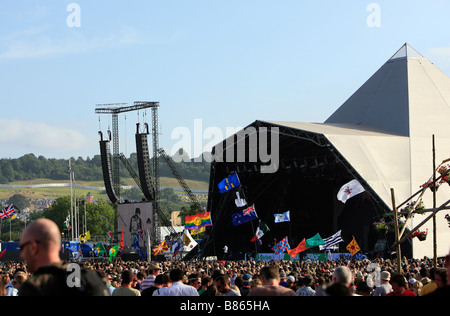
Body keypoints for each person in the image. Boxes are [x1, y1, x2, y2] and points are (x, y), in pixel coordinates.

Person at [18, 218, 110, 296]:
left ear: (34, 247)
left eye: (22, 248)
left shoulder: (34, 287)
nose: (22, 254)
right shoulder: (92, 279)